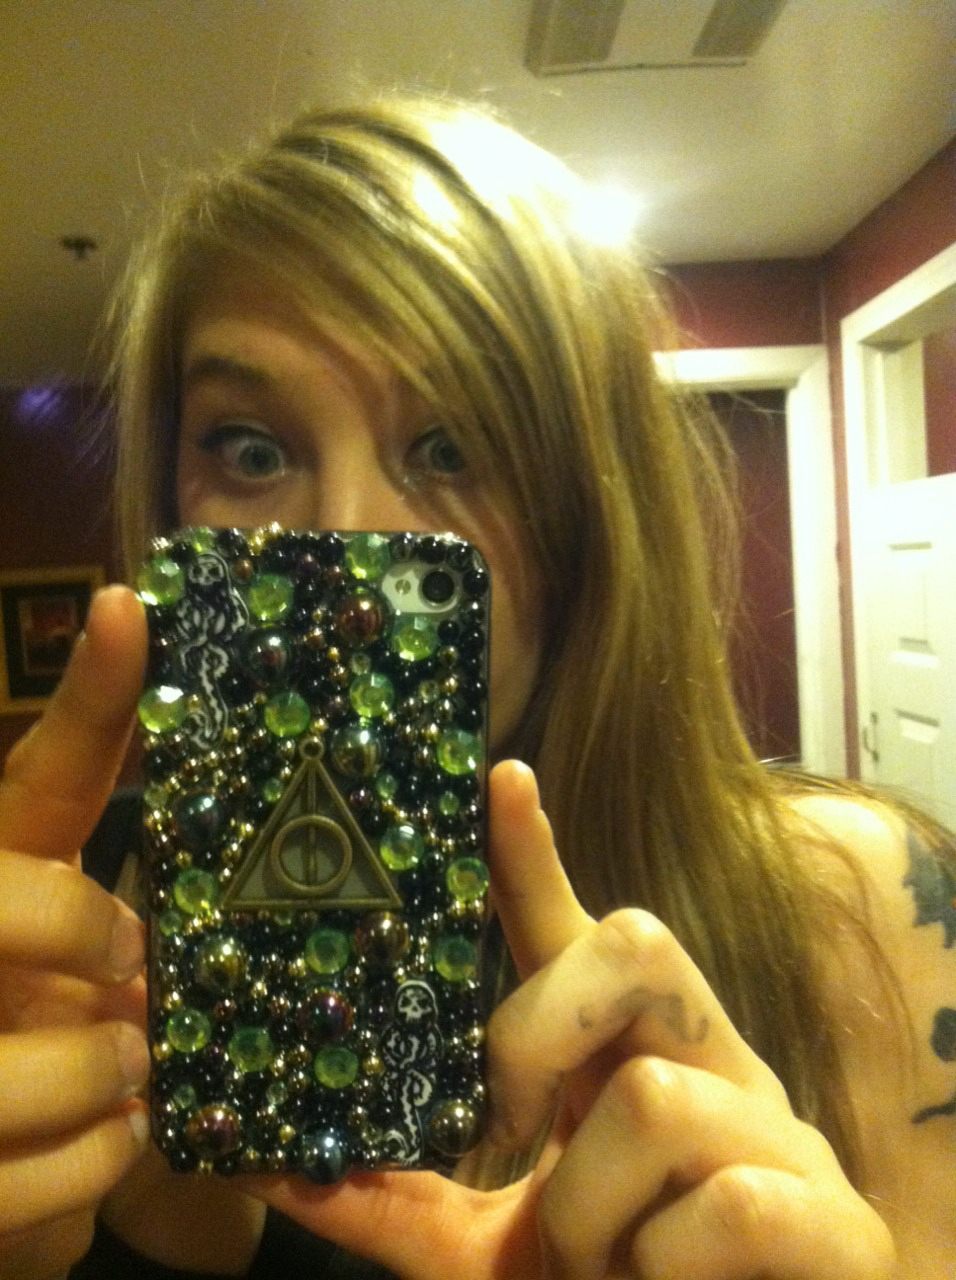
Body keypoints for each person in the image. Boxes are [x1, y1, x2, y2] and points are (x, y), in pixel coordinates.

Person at [0, 93, 950, 1278]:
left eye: (449, 449)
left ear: (584, 509)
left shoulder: (853, 911)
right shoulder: (63, 937)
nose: (347, 544)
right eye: (251, 448)